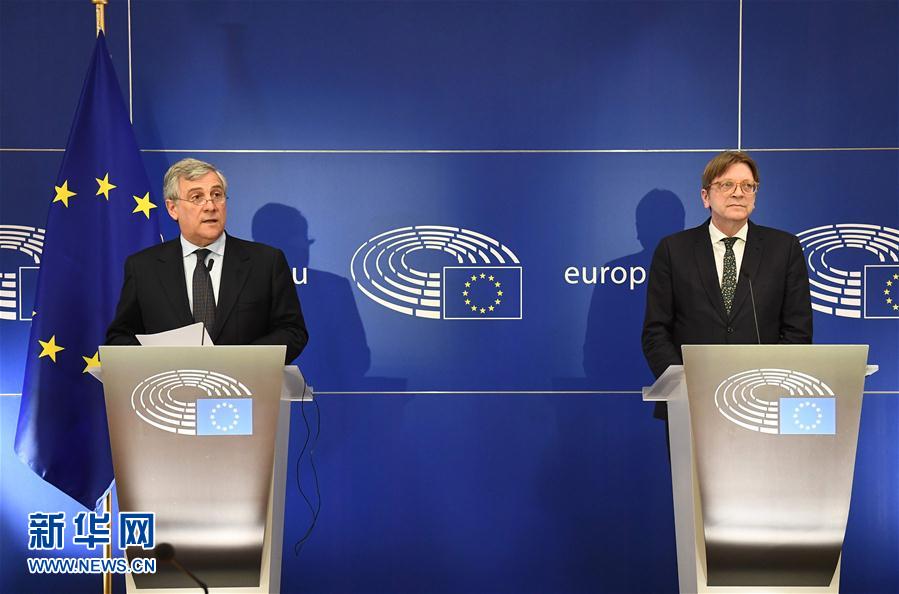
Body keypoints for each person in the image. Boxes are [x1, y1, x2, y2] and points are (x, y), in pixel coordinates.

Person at [106, 158, 308, 363]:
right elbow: (120, 338)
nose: (210, 206)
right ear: (172, 208)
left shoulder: (266, 262)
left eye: (217, 195)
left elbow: (292, 332)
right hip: (172, 381)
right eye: (197, 197)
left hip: (246, 381)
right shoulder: (143, 267)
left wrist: (242, 362)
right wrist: (161, 361)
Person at [641, 151, 812, 385]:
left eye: (747, 186)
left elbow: (798, 332)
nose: (738, 193)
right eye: (727, 184)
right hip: (690, 395)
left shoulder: (784, 248)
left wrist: (767, 383)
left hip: (763, 394)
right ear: (705, 197)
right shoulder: (673, 250)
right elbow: (656, 333)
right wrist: (684, 386)